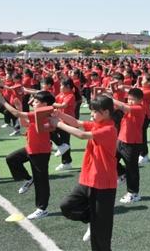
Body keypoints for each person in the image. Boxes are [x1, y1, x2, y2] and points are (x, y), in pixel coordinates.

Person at [55, 95, 118, 251]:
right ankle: (91, 218)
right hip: (88, 180)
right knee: (67, 206)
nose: (91, 115)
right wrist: (60, 115)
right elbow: (77, 122)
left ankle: (95, 222)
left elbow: (82, 135)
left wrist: (58, 124)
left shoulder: (109, 129)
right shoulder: (97, 124)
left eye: (94, 112)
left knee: (101, 236)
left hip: (104, 184)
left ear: (106, 112)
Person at [0, 90, 55, 220]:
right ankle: (28, 179)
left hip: (40, 152)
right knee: (11, 159)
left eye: (36, 101)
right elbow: (24, 123)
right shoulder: (37, 114)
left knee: (41, 181)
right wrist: (19, 106)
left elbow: (17, 114)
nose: (33, 103)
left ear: (44, 104)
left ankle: (42, 209)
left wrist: (3, 101)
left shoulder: (44, 115)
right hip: (30, 148)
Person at [113, 87, 146, 203]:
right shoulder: (131, 107)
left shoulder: (139, 108)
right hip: (121, 140)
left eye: (133, 100)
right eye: (129, 99)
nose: (130, 102)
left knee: (132, 169)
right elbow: (121, 106)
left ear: (140, 100)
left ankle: (133, 193)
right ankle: (122, 174)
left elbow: (124, 106)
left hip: (132, 143)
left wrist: (110, 99)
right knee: (110, 159)